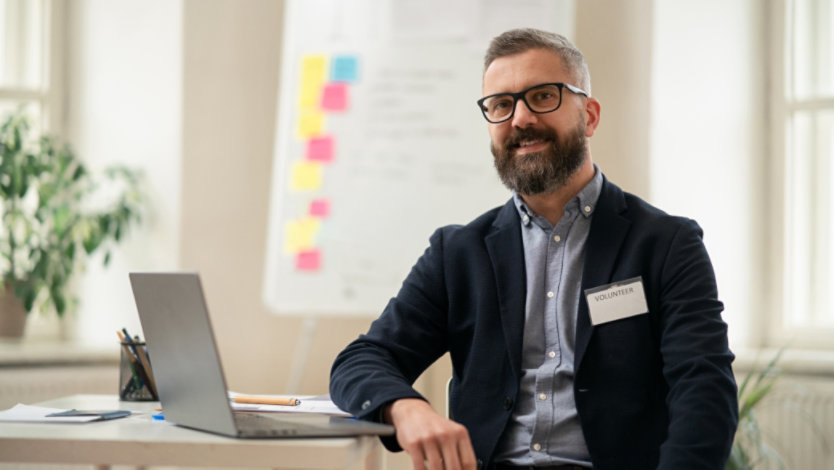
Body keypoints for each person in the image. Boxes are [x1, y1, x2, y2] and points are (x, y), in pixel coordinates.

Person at [329, 28, 738, 470]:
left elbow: (704, 390)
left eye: (543, 96)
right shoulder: (457, 253)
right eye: (501, 105)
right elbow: (361, 359)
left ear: (590, 116)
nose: (520, 118)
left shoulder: (666, 244)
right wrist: (406, 407)